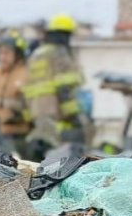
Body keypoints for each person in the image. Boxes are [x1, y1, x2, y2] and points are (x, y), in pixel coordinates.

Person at [23, 13, 87, 158]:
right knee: (56, 158)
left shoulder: (36, 53)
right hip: (53, 109)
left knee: (39, 153)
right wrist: (72, 115)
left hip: (35, 111)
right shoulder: (59, 53)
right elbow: (64, 86)